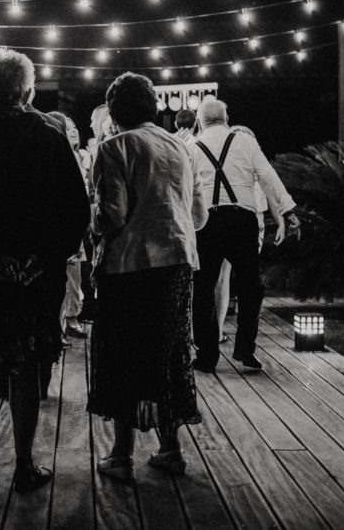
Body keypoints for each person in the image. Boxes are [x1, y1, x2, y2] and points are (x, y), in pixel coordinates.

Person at [0, 47, 88, 498]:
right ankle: (25, 465)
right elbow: (76, 211)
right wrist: (40, 259)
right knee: (26, 370)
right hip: (34, 283)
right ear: (27, 89)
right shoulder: (50, 137)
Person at [87, 72, 208, 482]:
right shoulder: (181, 146)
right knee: (168, 353)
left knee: (122, 352)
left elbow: (113, 214)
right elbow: (199, 215)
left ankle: (120, 455)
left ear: (115, 111)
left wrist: (92, 219)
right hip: (177, 262)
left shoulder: (115, 146)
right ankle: (170, 449)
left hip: (130, 265)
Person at [189, 99, 300, 374]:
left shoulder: (189, 147)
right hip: (242, 221)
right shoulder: (245, 143)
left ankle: (207, 355)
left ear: (199, 121)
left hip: (206, 222)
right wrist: (288, 210)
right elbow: (268, 176)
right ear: (226, 118)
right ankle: (245, 349)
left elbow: (182, 188)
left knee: (202, 289)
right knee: (250, 287)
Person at [214, 125, 292, 344]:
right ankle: (220, 329)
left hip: (254, 223)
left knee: (244, 278)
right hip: (236, 221)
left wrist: (281, 221)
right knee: (225, 276)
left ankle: (241, 324)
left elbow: (270, 193)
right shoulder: (231, 167)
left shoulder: (255, 167)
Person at [46, 111, 90, 341]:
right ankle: (59, 324)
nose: (73, 129)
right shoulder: (60, 153)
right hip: (61, 221)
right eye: (67, 126)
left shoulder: (78, 154)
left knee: (74, 275)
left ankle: (71, 318)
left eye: (74, 126)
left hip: (73, 220)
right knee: (60, 274)